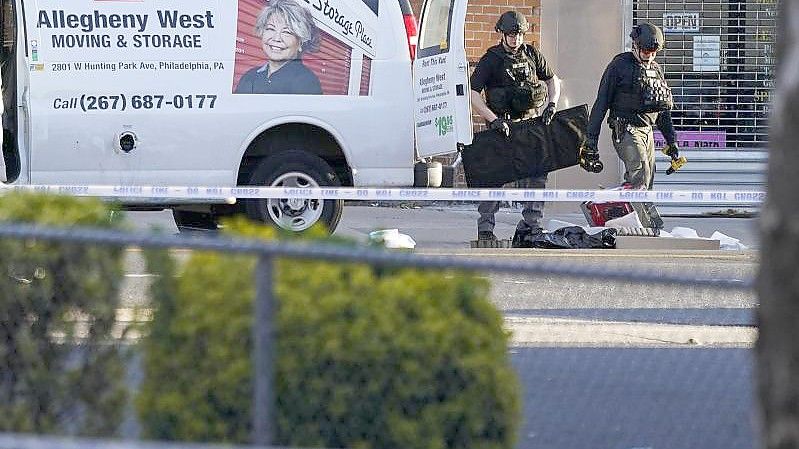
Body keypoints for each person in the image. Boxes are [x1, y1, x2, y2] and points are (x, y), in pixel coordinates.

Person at [469, 10, 561, 247]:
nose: (515, 39)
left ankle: (532, 226)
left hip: (529, 123)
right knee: (494, 177)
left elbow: (552, 79)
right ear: (502, 34)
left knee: (537, 174)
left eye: (519, 34)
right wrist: (493, 119)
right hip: (502, 126)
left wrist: (552, 105)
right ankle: (486, 229)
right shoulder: (491, 59)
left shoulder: (532, 54)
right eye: (511, 35)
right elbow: (472, 94)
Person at [585, 22, 679, 190]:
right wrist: (591, 140)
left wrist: (671, 141)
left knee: (648, 180)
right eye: (645, 52)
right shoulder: (619, 66)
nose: (649, 56)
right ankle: (632, 214)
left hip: (647, 130)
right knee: (640, 176)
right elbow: (601, 103)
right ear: (635, 46)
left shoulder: (656, 70)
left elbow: (662, 109)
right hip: (627, 130)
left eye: (654, 53)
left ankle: (633, 213)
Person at [235, 0, 323, 95]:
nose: (276, 38)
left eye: (287, 32)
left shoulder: (306, 83)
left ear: (301, 42)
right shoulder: (249, 77)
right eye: (271, 29)